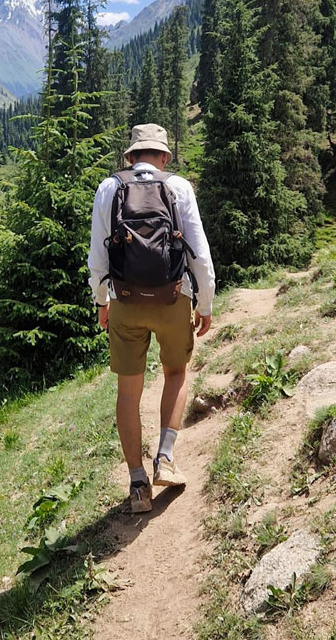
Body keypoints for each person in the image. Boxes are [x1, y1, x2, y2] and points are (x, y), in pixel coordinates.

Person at [88, 123, 215, 514]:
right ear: (163, 157)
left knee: (128, 391)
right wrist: (205, 304)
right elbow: (199, 255)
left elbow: (98, 258)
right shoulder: (179, 188)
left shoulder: (109, 188)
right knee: (175, 372)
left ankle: (138, 484)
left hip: (125, 300)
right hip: (173, 297)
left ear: (130, 156)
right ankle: (165, 458)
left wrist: (101, 302)